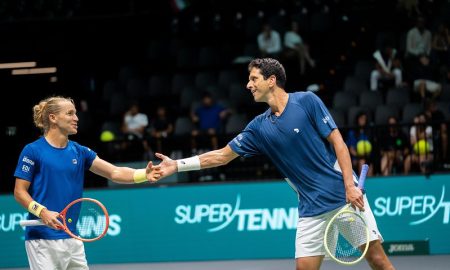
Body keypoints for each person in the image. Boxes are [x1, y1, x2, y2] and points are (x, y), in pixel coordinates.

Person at [154, 58, 395, 270]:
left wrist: (349, 187)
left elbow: (338, 142)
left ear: (271, 80)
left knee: (378, 261)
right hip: (310, 209)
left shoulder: (306, 101)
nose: (248, 85)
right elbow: (221, 156)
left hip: (342, 198)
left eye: (253, 79)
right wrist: (177, 165)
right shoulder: (259, 127)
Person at [14, 96, 161, 270]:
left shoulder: (80, 151)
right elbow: (19, 192)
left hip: (72, 238)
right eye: (70, 113)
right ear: (53, 118)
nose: (76, 118)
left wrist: (144, 174)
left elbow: (114, 172)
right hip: (42, 238)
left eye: (75, 114)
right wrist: (42, 212)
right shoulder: (33, 150)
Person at [346, 112, 375, 176]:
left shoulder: (368, 132)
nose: (363, 120)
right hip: (356, 158)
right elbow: (351, 150)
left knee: (370, 164)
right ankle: (361, 184)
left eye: (365, 119)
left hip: (367, 156)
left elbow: (371, 147)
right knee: (362, 161)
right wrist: (359, 156)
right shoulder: (352, 133)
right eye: (361, 119)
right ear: (358, 120)